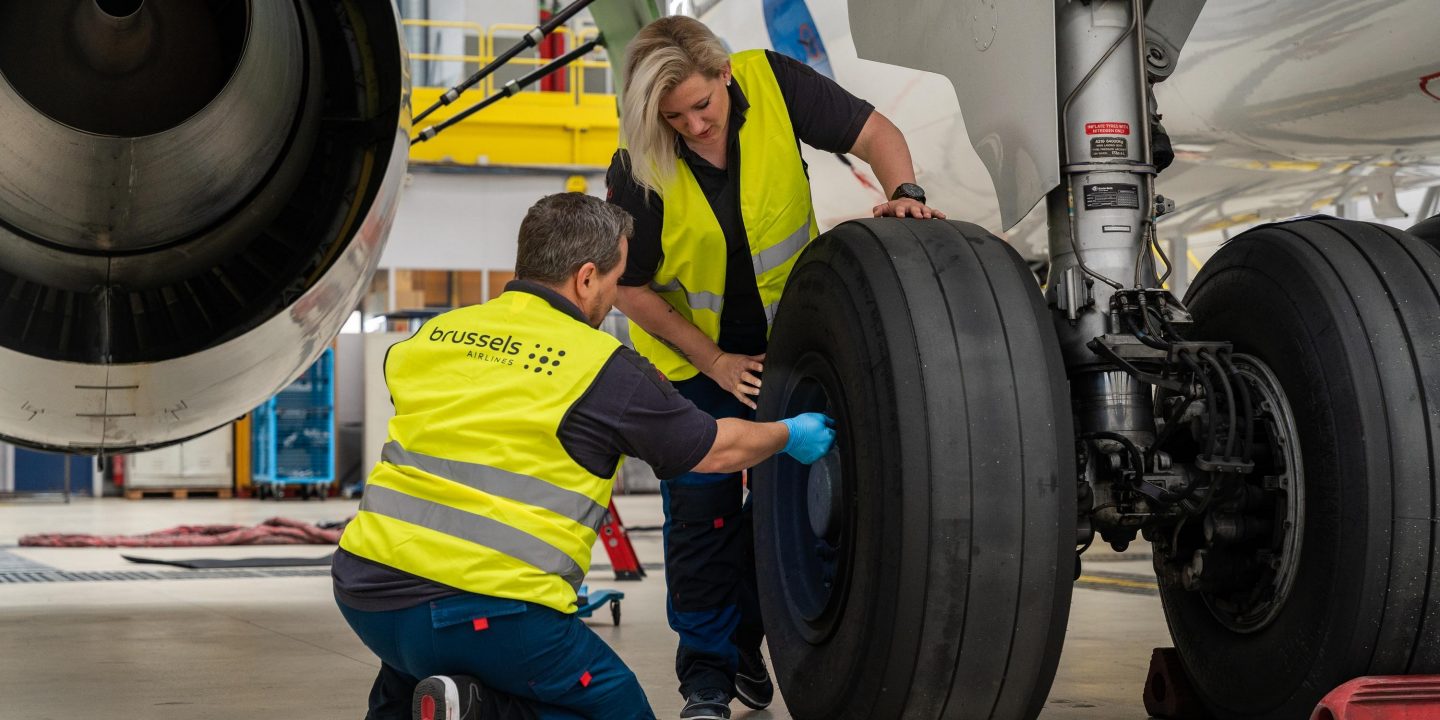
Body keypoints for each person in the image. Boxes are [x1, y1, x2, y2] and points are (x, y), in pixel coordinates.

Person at [332, 192, 837, 720]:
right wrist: (789, 433)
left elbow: (408, 378)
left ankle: (439, 699)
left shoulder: (435, 334)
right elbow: (713, 449)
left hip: (366, 591)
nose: (614, 296)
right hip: (486, 606)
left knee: (409, 677)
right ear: (587, 277)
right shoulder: (603, 368)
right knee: (616, 708)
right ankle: (481, 709)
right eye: (616, 282)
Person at [605, 16, 944, 720]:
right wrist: (717, 362)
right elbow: (629, 287)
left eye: (702, 106)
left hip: (791, 346)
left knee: (799, 503)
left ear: (724, 75)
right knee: (702, 514)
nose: (694, 126)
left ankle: (742, 643)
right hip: (695, 365)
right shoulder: (639, 163)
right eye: (674, 118)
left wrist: (905, 189)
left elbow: (877, 134)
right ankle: (705, 680)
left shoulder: (773, 82)